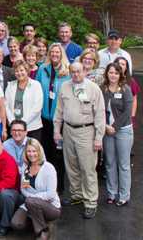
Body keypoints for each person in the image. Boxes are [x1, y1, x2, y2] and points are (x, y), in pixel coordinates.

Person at [53, 62, 105, 218]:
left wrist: (98, 137)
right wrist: (57, 130)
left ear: (84, 71)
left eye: (79, 71)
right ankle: (77, 195)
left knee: (88, 168)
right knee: (72, 166)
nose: (76, 74)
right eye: (73, 72)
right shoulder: (65, 87)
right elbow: (59, 110)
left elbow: (100, 114)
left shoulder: (93, 88)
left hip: (86, 131)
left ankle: (90, 202)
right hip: (68, 130)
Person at [36, 43, 70, 193]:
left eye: (58, 52)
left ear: (61, 54)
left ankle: (59, 186)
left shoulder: (67, 72)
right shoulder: (42, 70)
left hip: (59, 120)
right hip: (44, 119)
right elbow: (37, 90)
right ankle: (47, 184)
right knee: (46, 153)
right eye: (52, 52)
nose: (55, 54)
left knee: (59, 154)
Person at [10, 139, 60, 240]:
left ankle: (42, 231)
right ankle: (38, 220)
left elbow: (51, 194)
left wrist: (33, 200)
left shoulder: (48, 168)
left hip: (51, 207)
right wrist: (32, 201)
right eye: (29, 151)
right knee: (16, 224)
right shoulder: (26, 167)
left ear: (39, 151)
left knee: (31, 201)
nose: (31, 154)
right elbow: (23, 189)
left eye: (34, 151)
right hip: (30, 204)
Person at [100, 63, 133, 207]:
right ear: (107, 74)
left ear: (121, 75)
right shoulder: (103, 89)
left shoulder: (126, 90)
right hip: (107, 130)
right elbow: (99, 109)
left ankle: (124, 195)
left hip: (123, 130)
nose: (113, 75)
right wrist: (105, 126)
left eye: (116, 73)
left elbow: (127, 112)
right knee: (109, 163)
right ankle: (111, 193)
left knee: (123, 164)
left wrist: (114, 127)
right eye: (110, 72)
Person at [5, 61, 44, 140]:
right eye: (16, 71)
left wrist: (22, 123)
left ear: (27, 71)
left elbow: (37, 107)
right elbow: (6, 105)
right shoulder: (10, 85)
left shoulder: (36, 85)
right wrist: (13, 122)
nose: (19, 73)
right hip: (14, 128)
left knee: (31, 151)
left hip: (32, 127)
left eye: (21, 70)